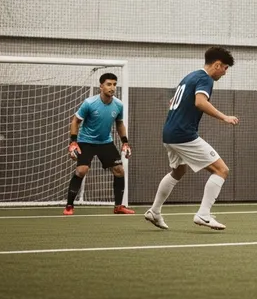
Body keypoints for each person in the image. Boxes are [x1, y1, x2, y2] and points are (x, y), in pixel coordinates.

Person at [144, 47, 238, 231]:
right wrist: (224, 117)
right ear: (217, 64)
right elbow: (200, 102)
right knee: (221, 170)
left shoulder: (190, 77)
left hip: (169, 133)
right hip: (183, 134)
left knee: (178, 172)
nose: (225, 73)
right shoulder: (205, 79)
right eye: (225, 68)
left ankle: (154, 211)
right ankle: (203, 214)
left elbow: (173, 101)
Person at [64, 72, 133, 216]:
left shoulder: (118, 105)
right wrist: (73, 142)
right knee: (81, 171)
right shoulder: (89, 103)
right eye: (109, 84)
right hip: (86, 141)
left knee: (119, 170)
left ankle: (118, 206)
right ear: (101, 86)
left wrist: (125, 142)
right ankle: (69, 206)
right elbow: (75, 121)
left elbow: (119, 124)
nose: (112, 87)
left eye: (114, 84)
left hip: (105, 142)